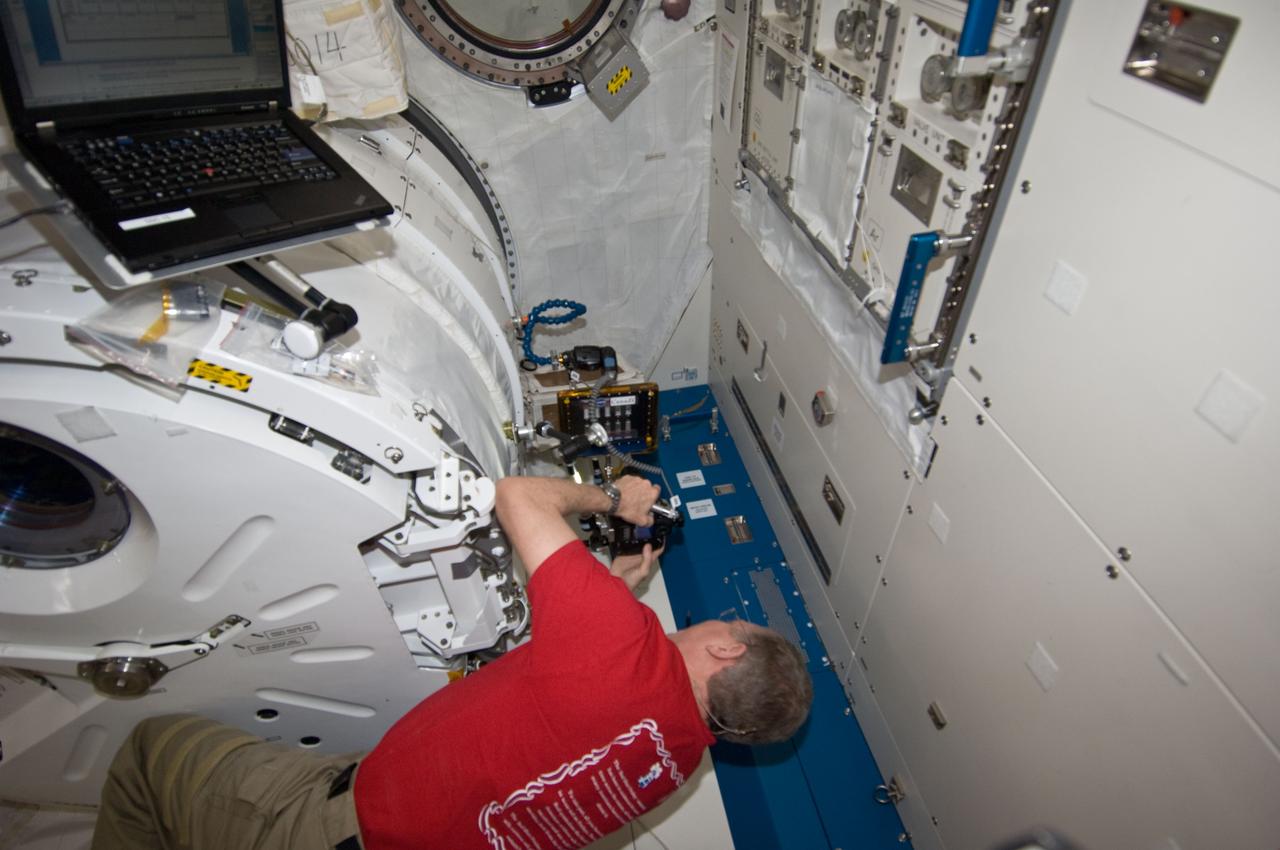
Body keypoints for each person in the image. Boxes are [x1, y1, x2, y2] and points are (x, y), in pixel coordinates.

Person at [92, 474, 814, 850]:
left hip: (345, 832)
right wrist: (609, 593)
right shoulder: (677, 763)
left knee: (154, 755)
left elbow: (517, 496)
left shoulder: (621, 644)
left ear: (727, 650)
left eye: (728, 621)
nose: (716, 621)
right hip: (377, 804)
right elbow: (566, 725)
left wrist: (616, 500)